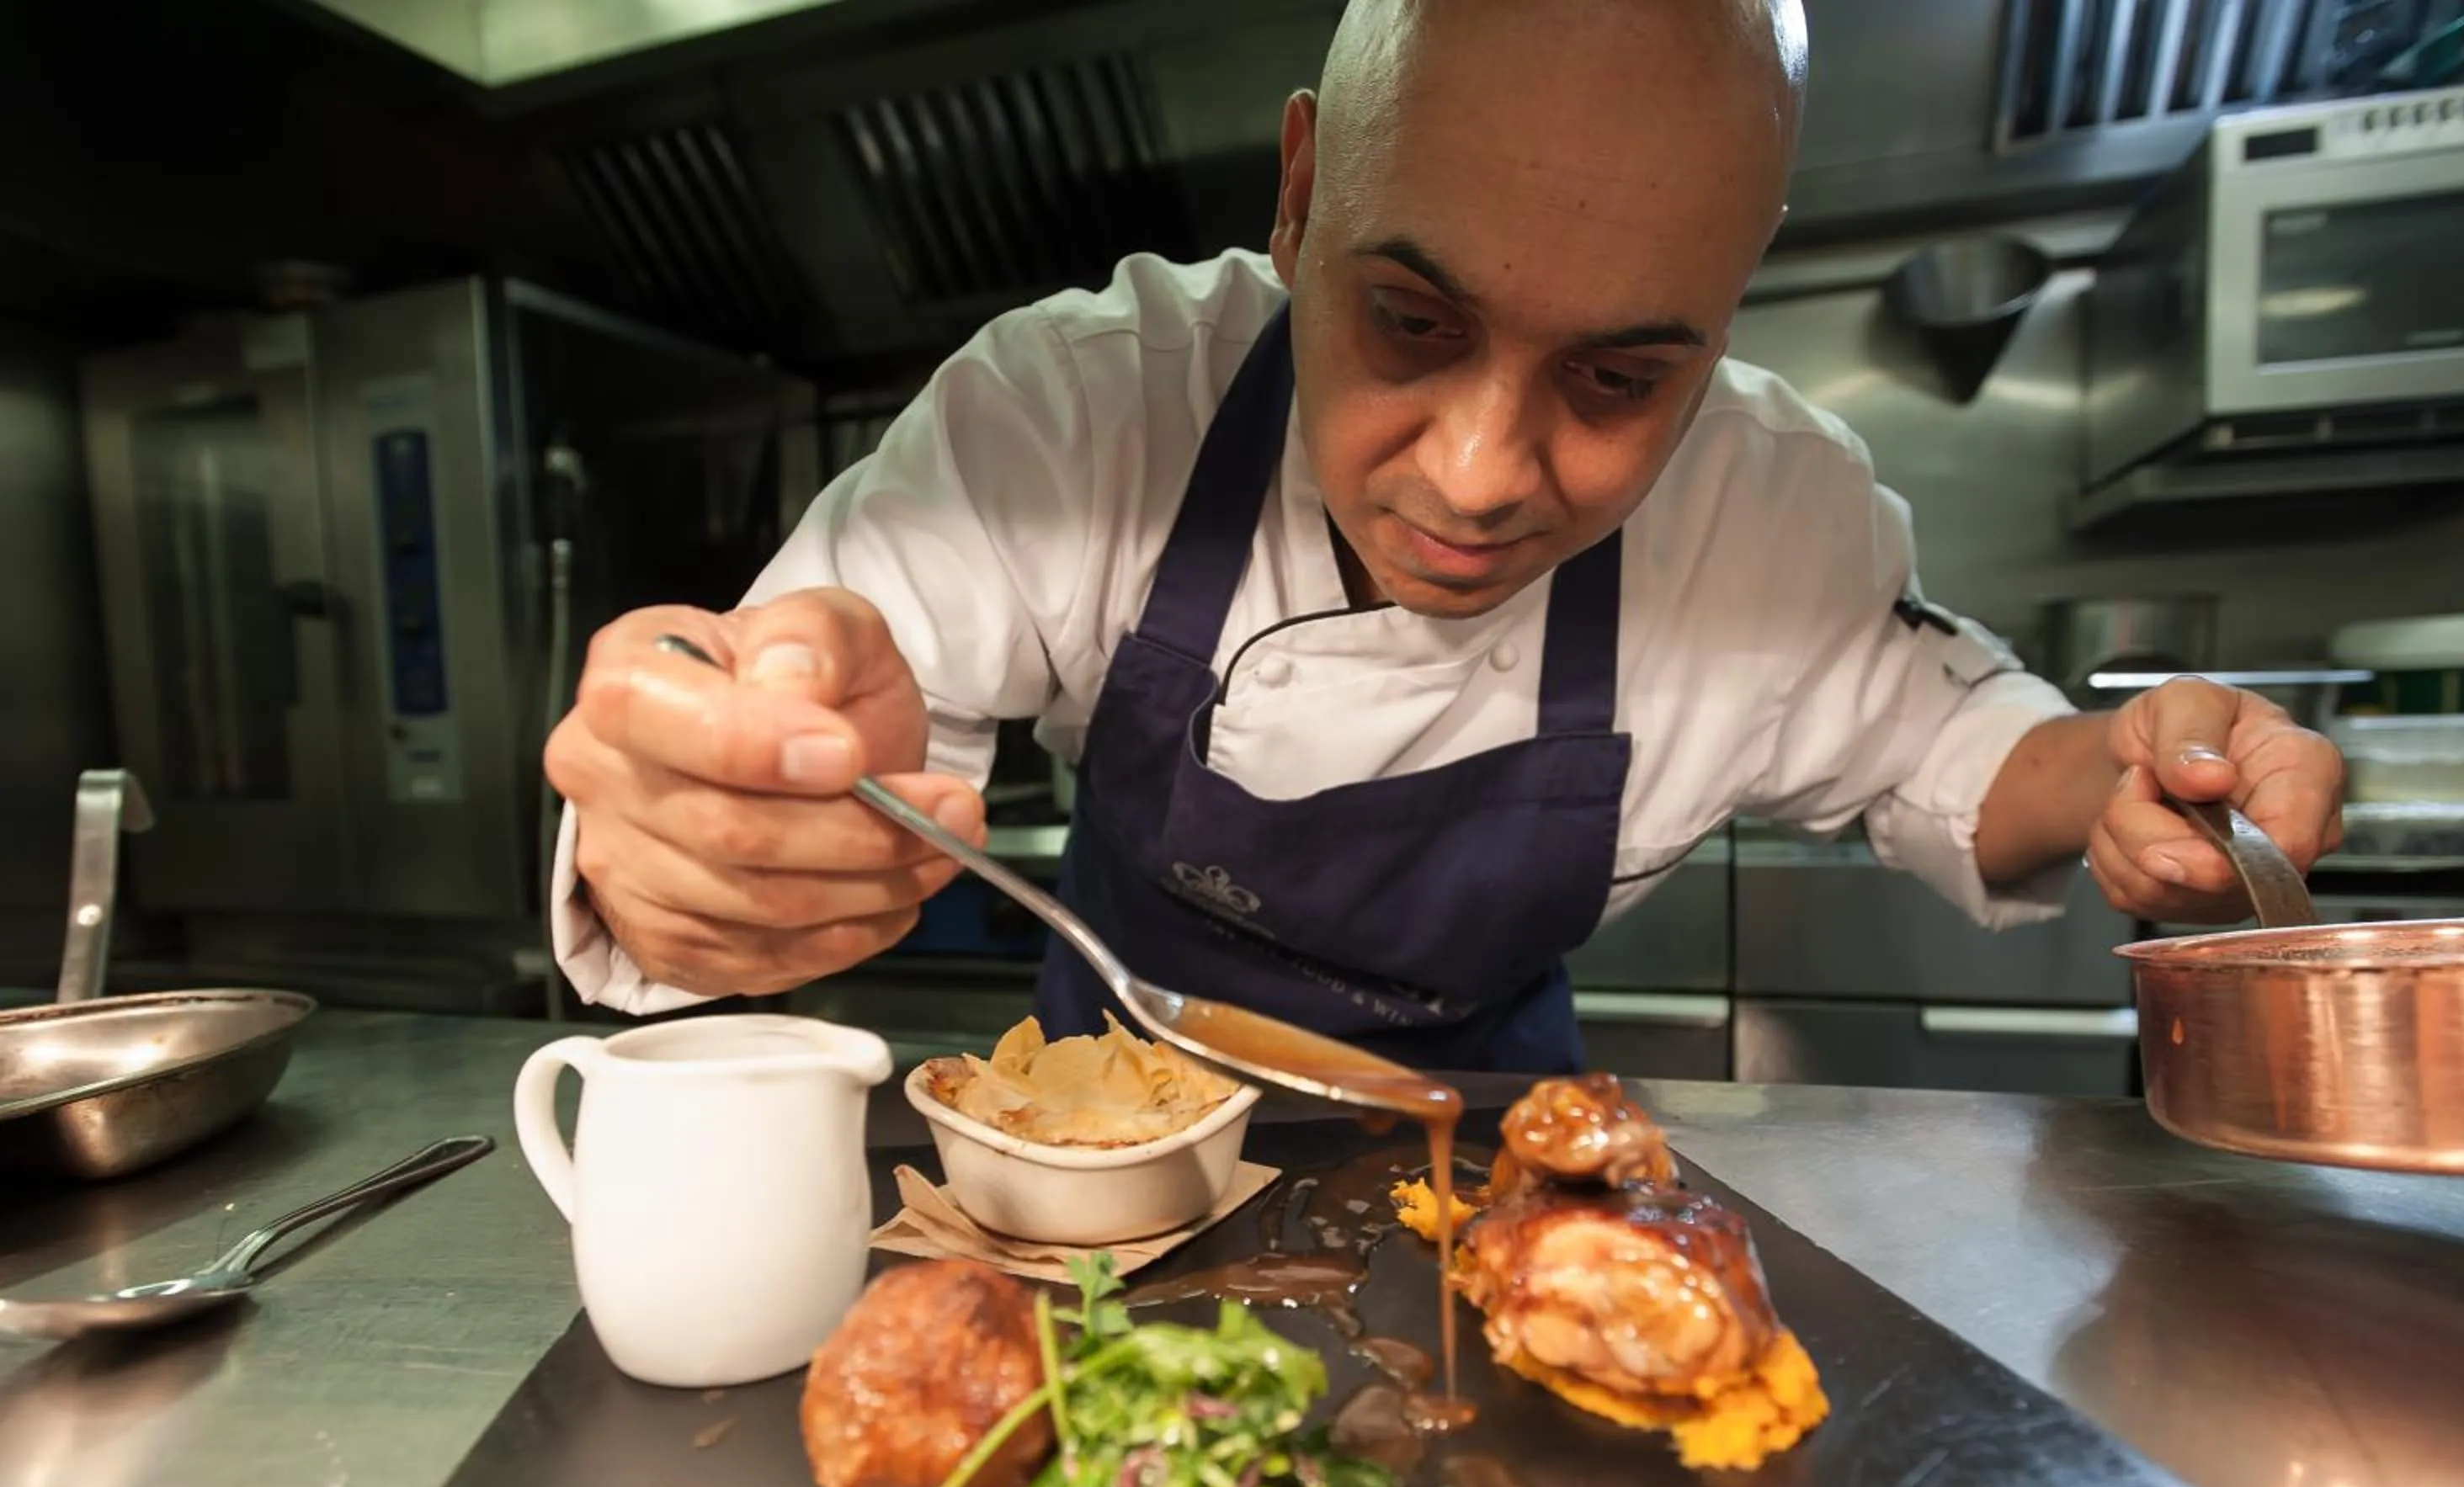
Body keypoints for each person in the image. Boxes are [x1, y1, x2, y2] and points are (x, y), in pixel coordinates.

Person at [542, 0, 2346, 1072]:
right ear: (1305, 190)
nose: (1485, 476)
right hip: (1102, 1158)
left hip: (1497, 1173)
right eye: (1410, 323)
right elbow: (785, 724)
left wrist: (2125, 763)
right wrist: (717, 815)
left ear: (1726, 315)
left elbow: (1970, 751)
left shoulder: (1772, 515)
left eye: (1622, 376)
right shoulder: (1081, 412)